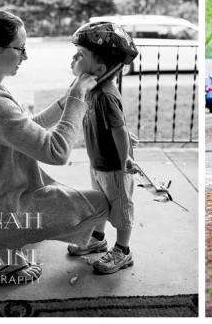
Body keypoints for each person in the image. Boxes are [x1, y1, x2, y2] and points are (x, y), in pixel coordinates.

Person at [0, 10, 108, 286]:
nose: (25, 56)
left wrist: (66, 99)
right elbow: (56, 152)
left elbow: (24, 128)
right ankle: (6, 256)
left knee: (59, 195)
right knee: (101, 203)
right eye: (20, 49)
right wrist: (78, 99)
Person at [65, 21, 141, 275]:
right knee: (100, 201)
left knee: (120, 208)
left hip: (115, 166)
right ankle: (98, 238)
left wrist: (126, 159)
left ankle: (123, 250)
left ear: (98, 68)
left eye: (81, 54)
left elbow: (118, 128)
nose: (74, 57)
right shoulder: (90, 89)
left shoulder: (106, 95)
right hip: (98, 162)